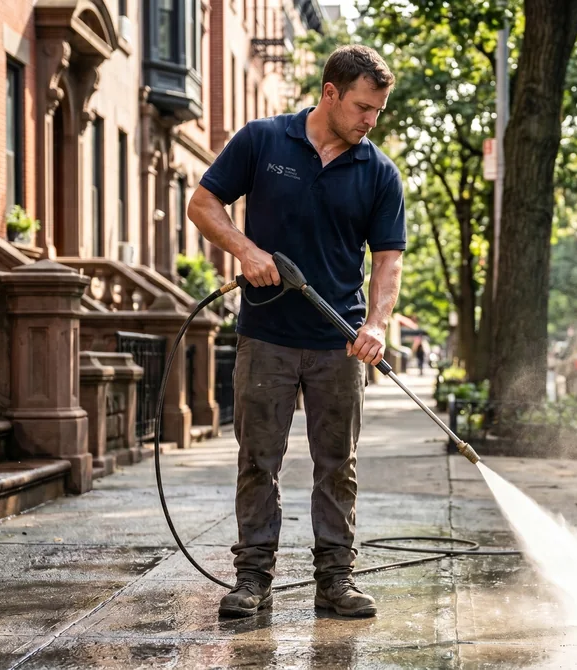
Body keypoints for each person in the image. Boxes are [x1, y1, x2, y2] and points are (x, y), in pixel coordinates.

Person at [187, 44, 404, 619]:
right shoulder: (263, 140)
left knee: (338, 463)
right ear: (330, 93)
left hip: (338, 343)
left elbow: (387, 261)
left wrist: (375, 324)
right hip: (268, 336)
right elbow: (203, 204)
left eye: (377, 111)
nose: (369, 120)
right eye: (362, 107)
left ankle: (336, 580)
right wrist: (246, 249)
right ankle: (252, 578)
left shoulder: (378, 171)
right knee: (259, 459)